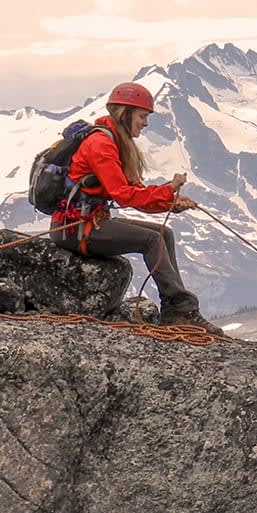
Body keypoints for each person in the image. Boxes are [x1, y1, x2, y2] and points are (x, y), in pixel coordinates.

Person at [50, 81, 224, 335]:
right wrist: (168, 192)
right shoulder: (101, 144)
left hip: (84, 224)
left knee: (164, 234)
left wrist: (171, 203)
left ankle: (176, 310)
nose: (145, 123)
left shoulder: (112, 141)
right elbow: (125, 195)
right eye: (142, 116)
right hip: (77, 229)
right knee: (152, 240)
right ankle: (180, 309)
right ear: (125, 113)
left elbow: (134, 192)